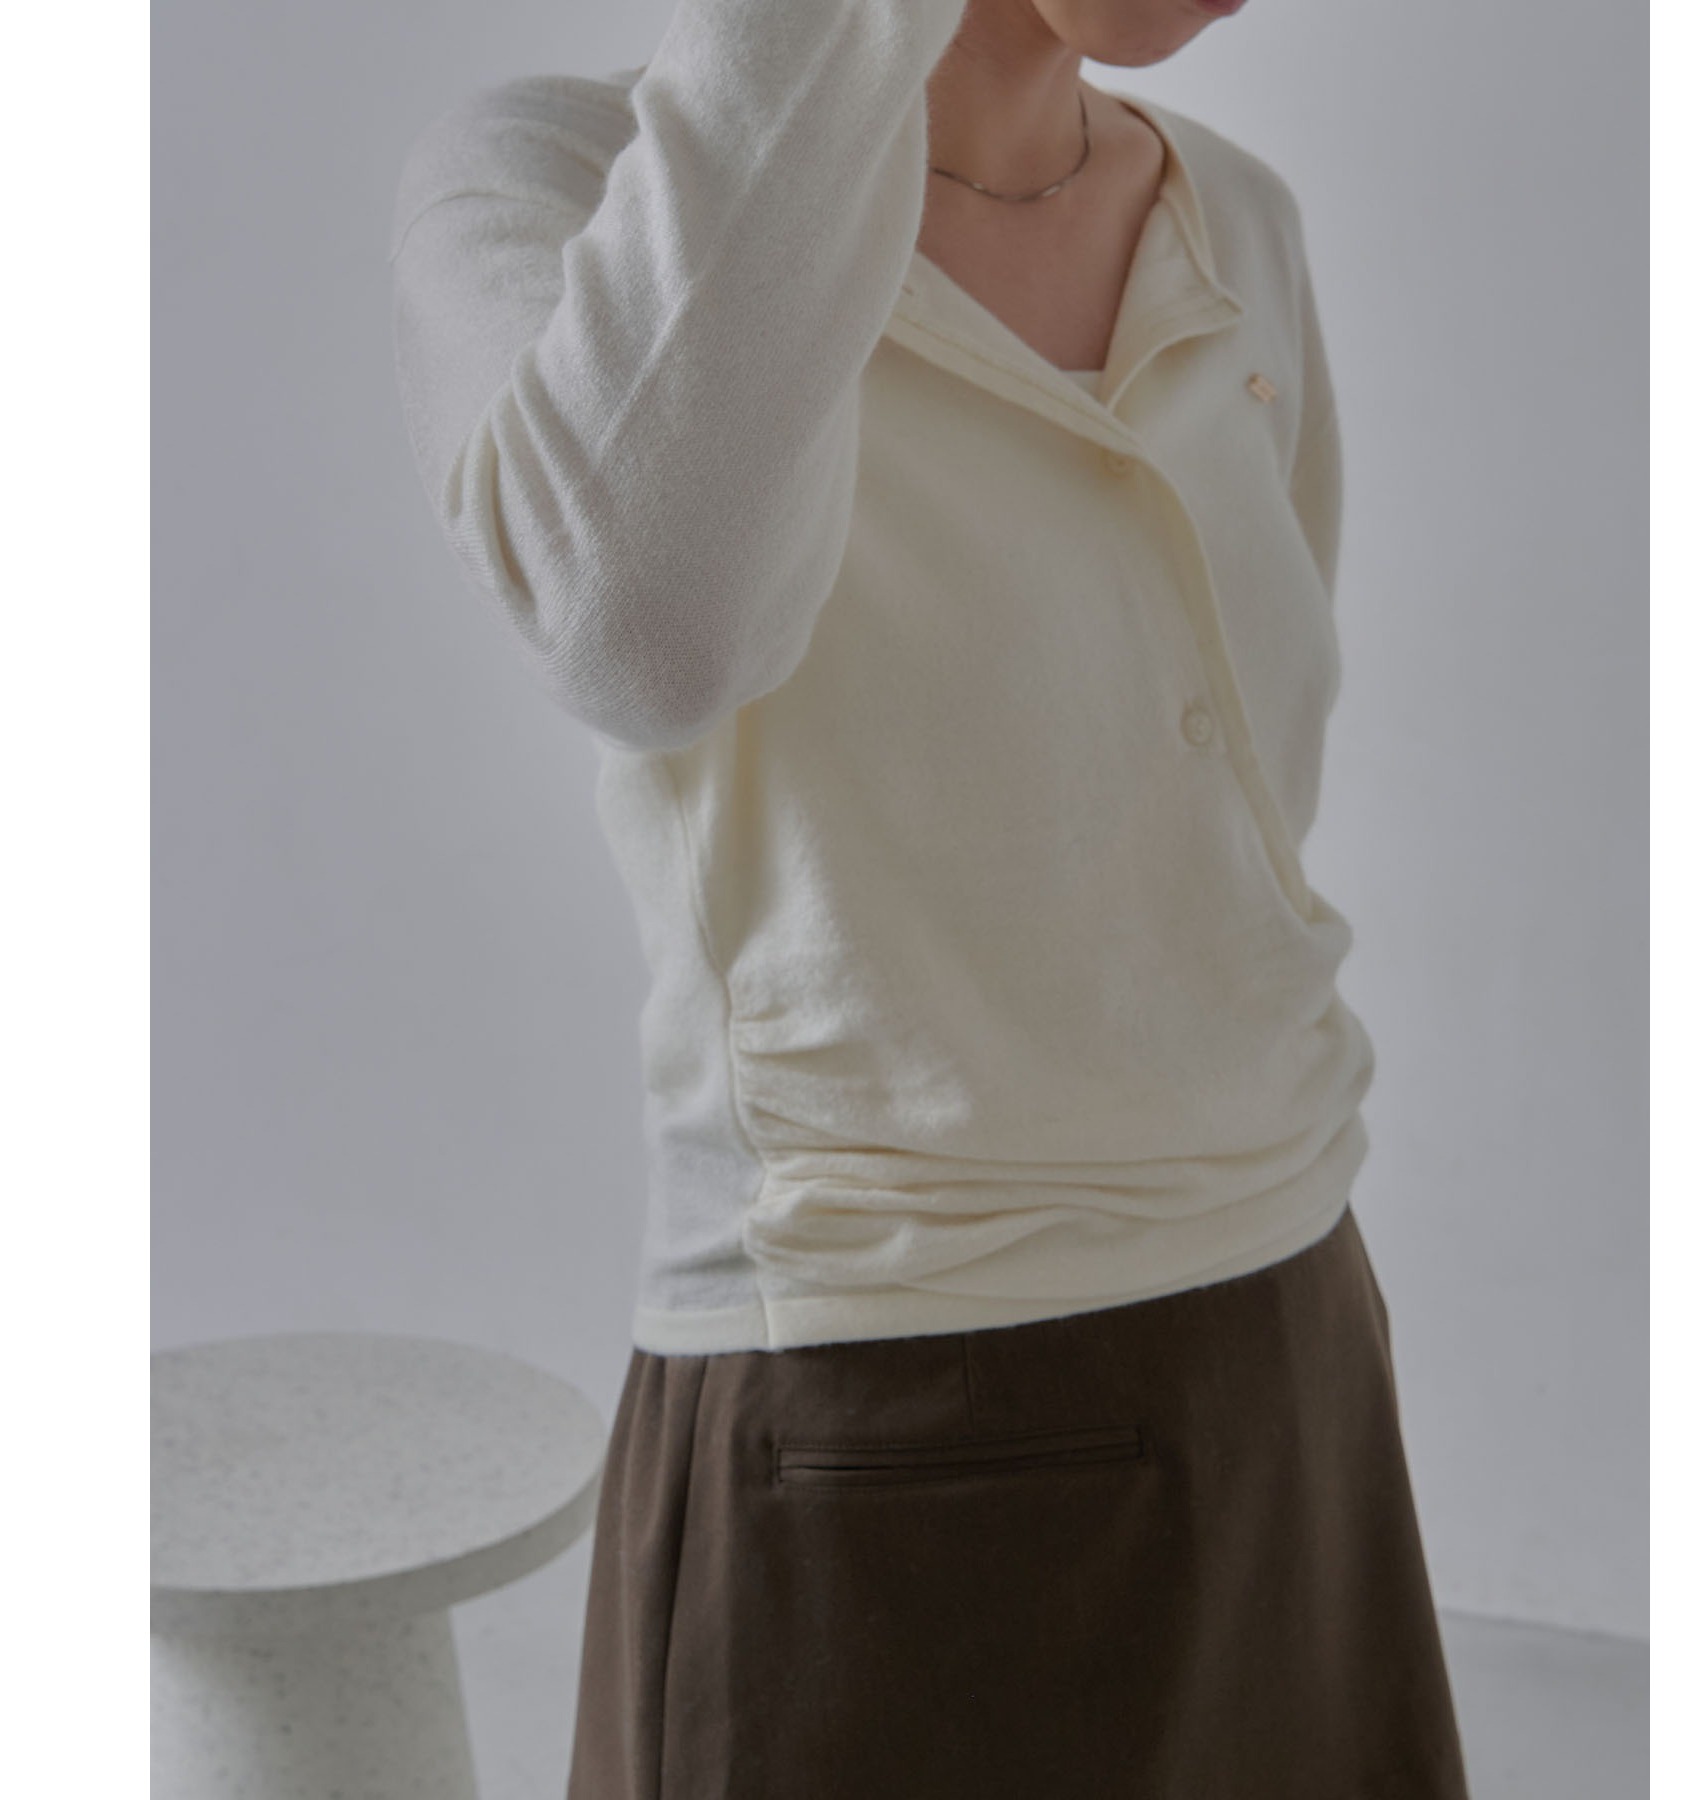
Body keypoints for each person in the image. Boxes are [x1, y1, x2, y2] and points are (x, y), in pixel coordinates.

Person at [388, 0, 1472, 1792]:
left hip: (1288, 1319)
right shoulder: (562, 188)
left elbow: (1234, 816)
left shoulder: (1234, 222)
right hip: (877, 1380)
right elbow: (649, 633)